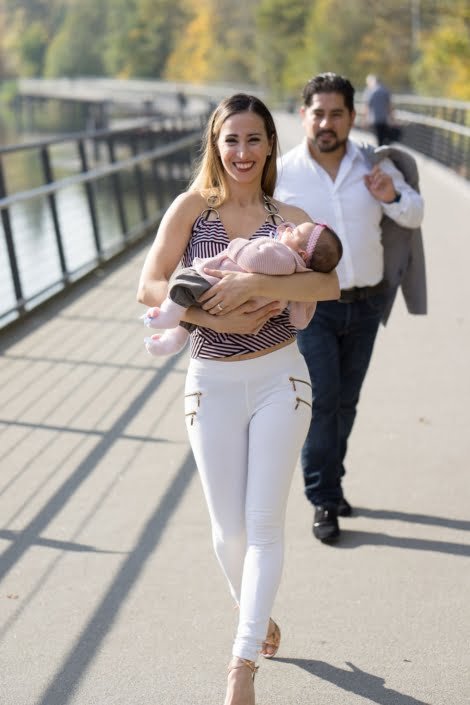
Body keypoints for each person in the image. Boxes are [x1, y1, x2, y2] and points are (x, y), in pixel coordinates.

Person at [136, 93, 339, 705]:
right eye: (232, 140)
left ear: (270, 145)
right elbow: (148, 285)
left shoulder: (291, 216)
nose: (243, 152)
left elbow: (327, 281)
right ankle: (258, 616)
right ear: (216, 146)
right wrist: (214, 319)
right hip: (211, 383)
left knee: (262, 524)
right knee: (227, 533)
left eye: (254, 140)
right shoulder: (192, 209)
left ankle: (242, 664)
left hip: (282, 379)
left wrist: (253, 282)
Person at [275, 72, 425, 543]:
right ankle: (323, 498)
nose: (326, 122)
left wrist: (392, 196)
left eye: (336, 113)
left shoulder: (373, 165)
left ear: (351, 117)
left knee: (346, 401)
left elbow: (415, 212)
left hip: (366, 304)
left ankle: (331, 483)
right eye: (317, 113)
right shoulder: (282, 174)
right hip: (314, 308)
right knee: (322, 403)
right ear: (303, 117)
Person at [142, 220, 342, 356]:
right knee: (187, 300)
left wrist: (236, 245)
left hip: (214, 283)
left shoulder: (283, 255)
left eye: (294, 232)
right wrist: (212, 321)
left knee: (185, 279)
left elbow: (252, 259)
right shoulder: (300, 273)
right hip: (229, 315)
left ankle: (170, 315)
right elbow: (300, 319)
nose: (289, 229)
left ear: (303, 254)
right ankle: (174, 338)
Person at [364, 74, 392, 146]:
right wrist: (392, 118)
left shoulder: (369, 92)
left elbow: (367, 107)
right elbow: (389, 106)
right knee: (384, 138)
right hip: (384, 119)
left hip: (374, 120)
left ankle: (379, 153)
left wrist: (365, 120)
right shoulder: (385, 90)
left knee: (378, 139)